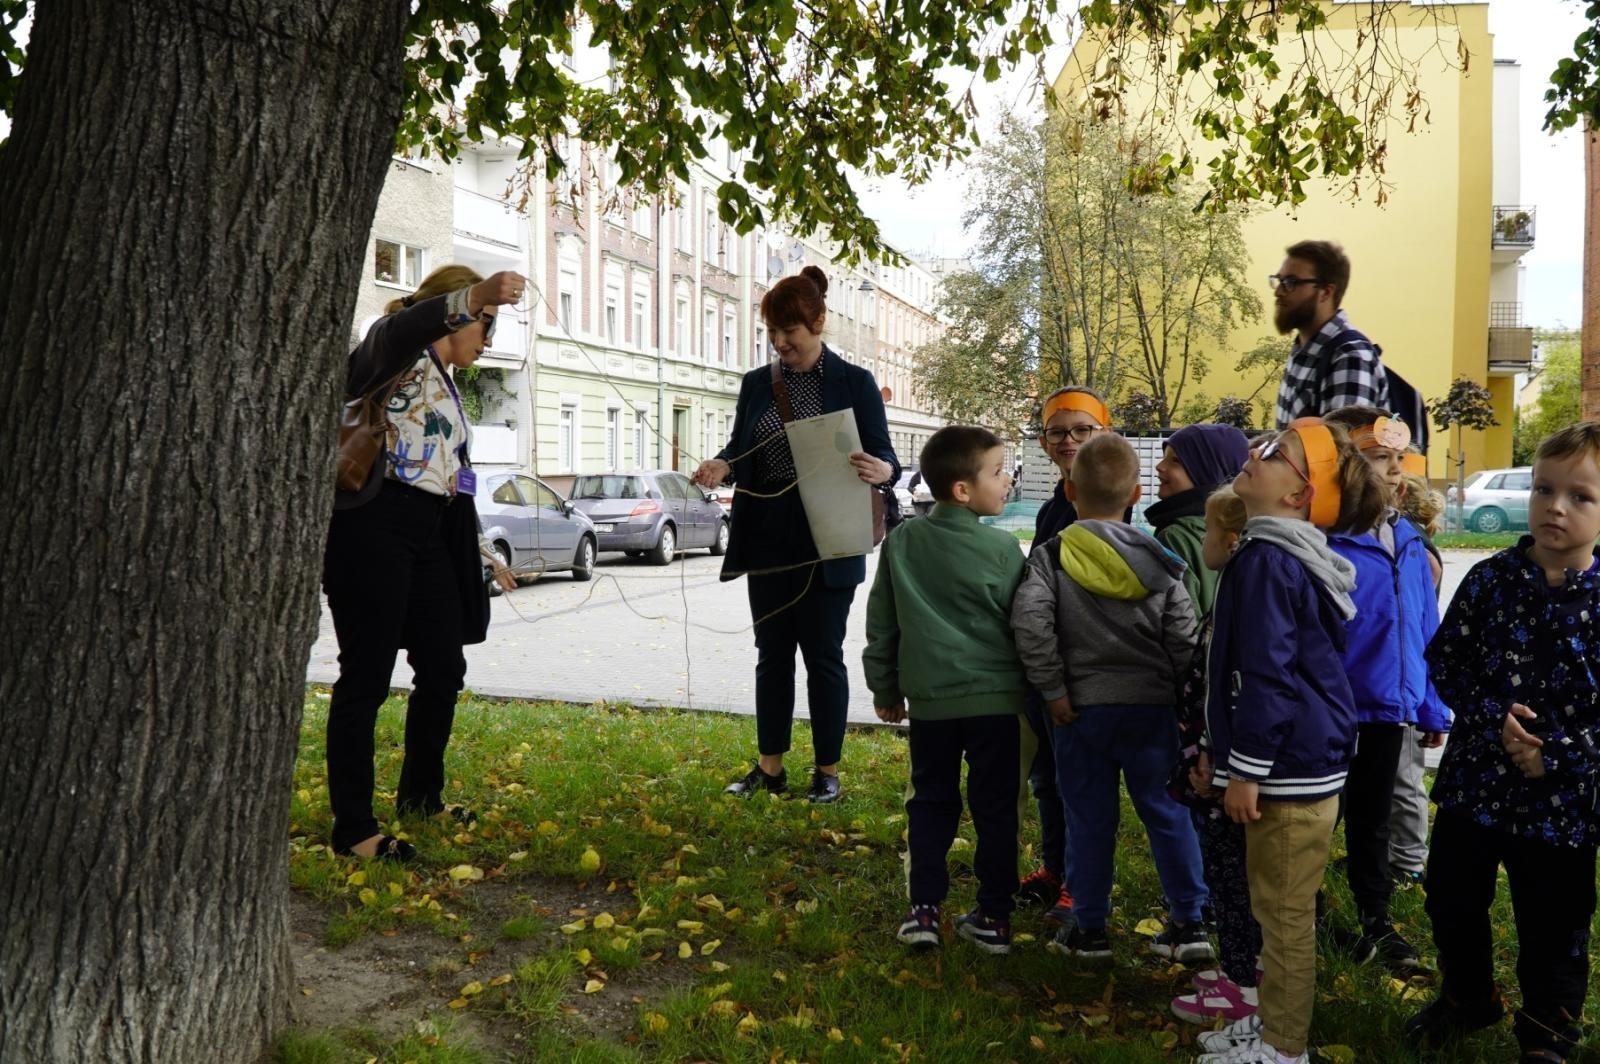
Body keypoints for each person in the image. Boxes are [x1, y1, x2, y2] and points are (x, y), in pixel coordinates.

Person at [1405, 422, 1600, 1064]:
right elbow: (1448, 659)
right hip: (1476, 786)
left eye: (1581, 496)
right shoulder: (1490, 581)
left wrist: (1558, 753)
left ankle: (1548, 1034)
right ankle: (1468, 997)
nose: (1556, 506)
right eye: (1544, 489)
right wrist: (1494, 718)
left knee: (1555, 923)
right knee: (1452, 897)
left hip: (1564, 803)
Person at [1196, 418, 1387, 1064]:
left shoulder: (1269, 560)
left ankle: (1283, 1047)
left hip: (1286, 770)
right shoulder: (1275, 550)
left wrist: (1245, 770)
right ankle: (1269, 1021)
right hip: (1296, 763)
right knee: (1270, 905)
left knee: (1281, 917)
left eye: (1275, 452)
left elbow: (1269, 675)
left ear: (1299, 495)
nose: (1254, 453)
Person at [324, 264, 523, 861]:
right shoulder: (395, 348)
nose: (488, 338)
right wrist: (475, 295)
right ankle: (354, 830)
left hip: (434, 533)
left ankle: (420, 798)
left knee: (443, 666)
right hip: (374, 526)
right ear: (456, 313)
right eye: (485, 323)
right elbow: (397, 333)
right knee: (367, 675)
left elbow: (454, 476)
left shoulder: (448, 381)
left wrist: (484, 551)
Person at [691, 266, 899, 804]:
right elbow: (741, 447)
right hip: (768, 537)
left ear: (819, 323)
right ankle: (771, 768)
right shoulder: (757, 384)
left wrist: (883, 470)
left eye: (792, 334)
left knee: (824, 656)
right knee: (772, 654)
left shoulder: (854, 383)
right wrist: (721, 464)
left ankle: (827, 771)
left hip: (829, 535)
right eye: (774, 336)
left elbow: (886, 455)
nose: (782, 345)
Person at [1010, 433, 1210, 964]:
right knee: (1168, 813)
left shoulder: (1052, 558)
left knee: (1088, 818)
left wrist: (1051, 689)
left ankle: (1090, 927)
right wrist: (1179, 701)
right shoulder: (1164, 563)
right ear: (1137, 494)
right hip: (1152, 714)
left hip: (1078, 712)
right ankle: (1190, 921)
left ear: (1070, 491)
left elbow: (1031, 626)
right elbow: (1184, 640)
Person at [864, 426, 1027, 954]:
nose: (1007, 481)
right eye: (999, 472)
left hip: (932, 705)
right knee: (997, 806)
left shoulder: (903, 541)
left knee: (931, 802)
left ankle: (924, 910)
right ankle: (995, 917)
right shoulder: (1004, 550)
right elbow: (1025, 629)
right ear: (962, 490)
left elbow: (882, 623)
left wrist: (885, 687)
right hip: (997, 705)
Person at [1316, 407, 1451, 971]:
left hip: (1385, 712)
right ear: (1344, 466)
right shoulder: (1324, 539)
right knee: (1320, 821)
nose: (1394, 472)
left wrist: (1432, 705)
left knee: (1372, 820)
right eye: (1379, 459)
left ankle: (1376, 920)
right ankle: (1308, 910)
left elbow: (1424, 627)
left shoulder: (1409, 540)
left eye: (1399, 459)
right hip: (1330, 711)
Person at [1014, 385, 1114, 922]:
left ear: (1105, 434)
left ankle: (1083, 882)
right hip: (1045, 670)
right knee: (1049, 778)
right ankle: (1056, 868)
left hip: (1080, 675)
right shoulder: (1057, 503)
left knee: (1082, 783)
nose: (1069, 440)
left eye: (1082, 430)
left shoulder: (1103, 504)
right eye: (1058, 431)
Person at [1167, 486, 1263, 1026]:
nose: (1201, 540)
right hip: (1218, 763)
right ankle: (1242, 971)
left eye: (1206, 531)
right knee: (1229, 875)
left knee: (1231, 879)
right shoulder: (1233, 589)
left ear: (1229, 541)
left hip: (1224, 773)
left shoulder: (1241, 599)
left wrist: (1212, 760)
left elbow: (1230, 690)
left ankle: (1244, 985)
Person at [1388, 461, 1447, 884]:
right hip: (1403, 683)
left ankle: (1409, 858)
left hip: (1407, 685)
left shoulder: (1415, 553)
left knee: (1405, 776)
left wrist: (1432, 706)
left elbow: (1427, 635)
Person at [1271, 240, 1389, 429]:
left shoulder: (1350, 356)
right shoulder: (1305, 348)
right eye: (1279, 280)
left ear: (1325, 292)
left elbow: (1344, 452)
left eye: (1291, 282)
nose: (1278, 291)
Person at [1149, 423, 1252, 614]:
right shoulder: (1249, 529)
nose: (1159, 466)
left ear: (1206, 472)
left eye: (1175, 461)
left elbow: (1179, 621)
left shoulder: (1175, 537)